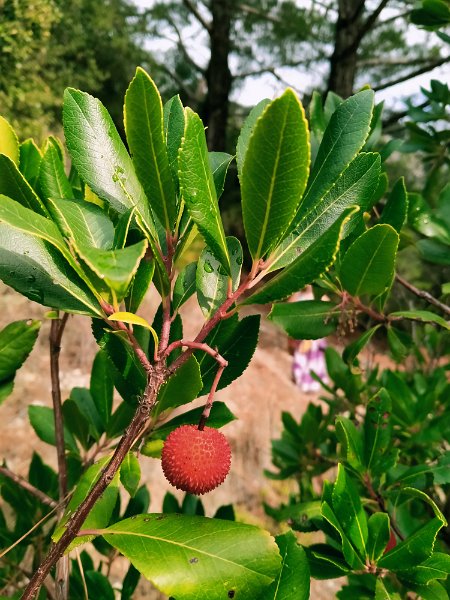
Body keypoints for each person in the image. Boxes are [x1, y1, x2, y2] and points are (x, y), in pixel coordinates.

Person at [288, 287, 329, 393]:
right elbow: (289, 312)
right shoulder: (297, 295)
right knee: (302, 358)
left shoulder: (321, 298)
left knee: (313, 361)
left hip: (314, 337)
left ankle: (310, 383)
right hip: (301, 336)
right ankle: (301, 380)